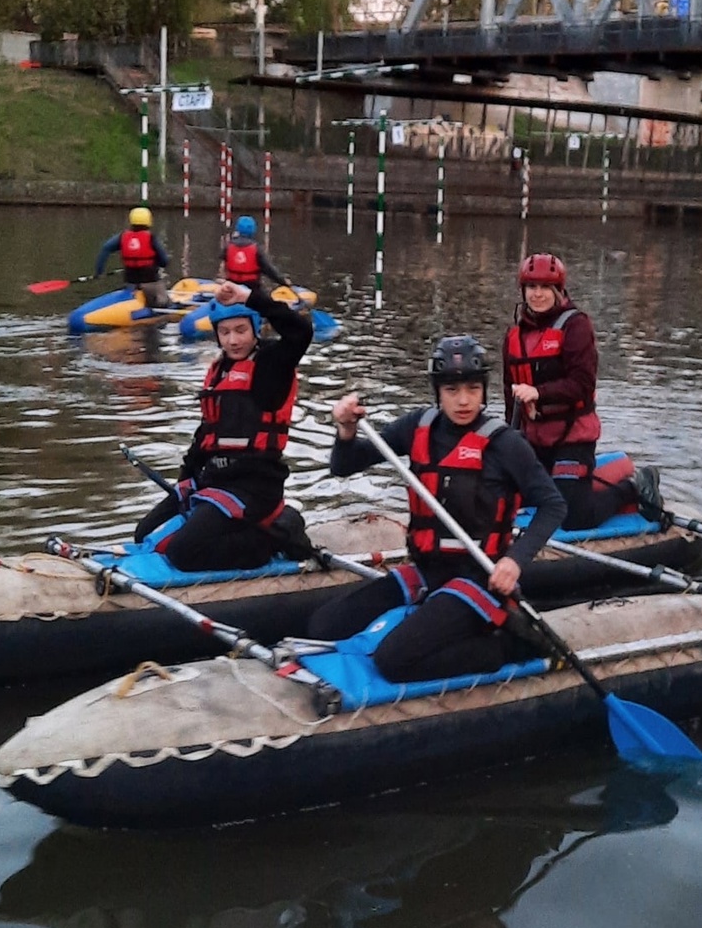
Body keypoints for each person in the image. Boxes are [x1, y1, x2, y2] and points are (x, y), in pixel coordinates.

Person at [310, 335, 566, 684]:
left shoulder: (507, 444)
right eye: (452, 390)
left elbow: (553, 505)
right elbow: (344, 465)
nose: (463, 400)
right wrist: (346, 429)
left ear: (484, 390)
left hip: (479, 580)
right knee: (322, 626)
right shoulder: (417, 426)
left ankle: (509, 645)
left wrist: (514, 561)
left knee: (393, 662)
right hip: (428, 572)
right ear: (437, 391)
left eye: (473, 389)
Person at [132, 282, 313, 570]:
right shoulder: (219, 371)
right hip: (215, 481)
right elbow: (206, 434)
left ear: (255, 330)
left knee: (182, 554)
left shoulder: (271, 365)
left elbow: (300, 332)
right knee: (144, 534)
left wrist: (251, 298)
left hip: (255, 488)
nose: (233, 341)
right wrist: (184, 482)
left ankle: (270, 540)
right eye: (225, 332)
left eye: (241, 330)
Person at [500, 250, 655, 529]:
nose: (537, 294)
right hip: (535, 439)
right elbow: (510, 397)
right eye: (531, 287)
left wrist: (539, 393)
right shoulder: (513, 337)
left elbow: (583, 385)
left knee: (573, 517)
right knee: (503, 495)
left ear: (558, 290)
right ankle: (589, 478)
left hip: (573, 438)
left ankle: (633, 486)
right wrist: (509, 444)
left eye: (545, 287)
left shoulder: (576, 326)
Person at [93, 206, 170, 308]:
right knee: (166, 302)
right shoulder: (151, 238)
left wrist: (99, 271)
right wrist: (156, 262)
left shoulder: (122, 237)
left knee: (131, 287)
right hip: (150, 283)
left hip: (130, 283)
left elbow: (105, 249)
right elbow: (164, 261)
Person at [220, 214, 288, 292]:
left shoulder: (228, 247)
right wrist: (284, 282)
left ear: (237, 229)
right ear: (253, 230)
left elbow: (224, 267)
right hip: (252, 290)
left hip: (231, 289)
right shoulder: (257, 249)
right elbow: (270, 271)